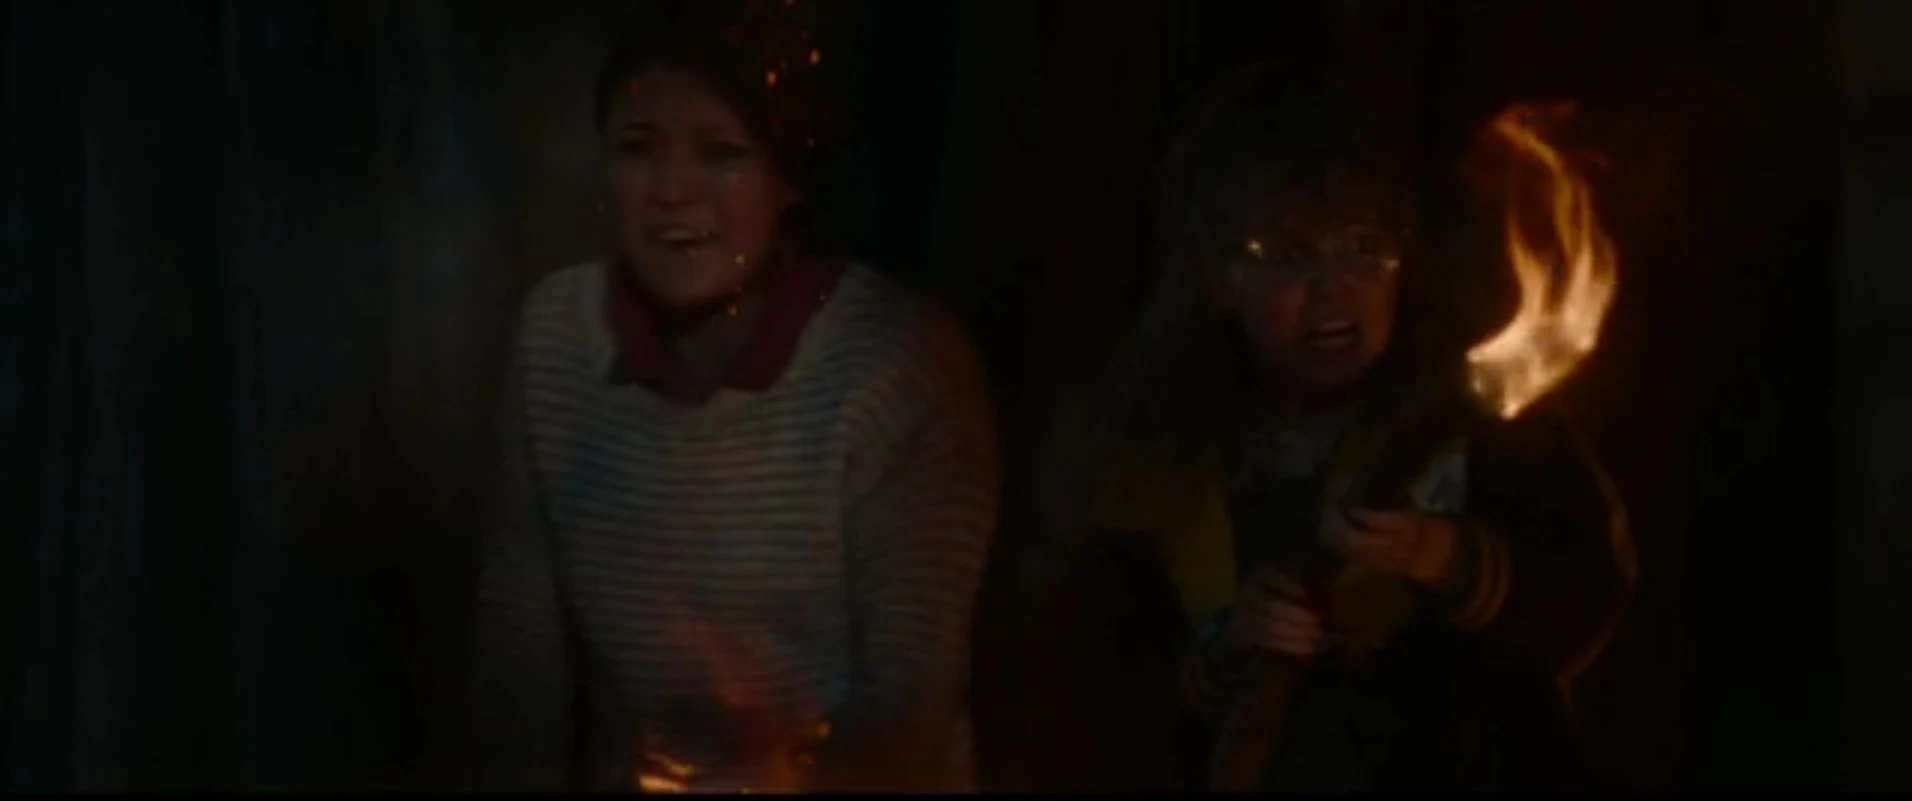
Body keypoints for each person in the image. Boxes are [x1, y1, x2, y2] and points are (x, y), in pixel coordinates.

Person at [1024, 64, 1638, 790]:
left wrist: (1448, 557)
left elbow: (1586, 595)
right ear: (1218, 275)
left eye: (1363, 247)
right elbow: (1086, 696)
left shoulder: (1476, 413)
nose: (1332, 288)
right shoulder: (1141, 460)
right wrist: (1223, 656)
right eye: (1289, 254)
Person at [457, 2, 1000, 792]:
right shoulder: (556, 345)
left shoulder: (896, 365)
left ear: (787, 178)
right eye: (638, 150)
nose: (673, 191)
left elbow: (906, 717)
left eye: (721, 154)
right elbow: (517, 688)